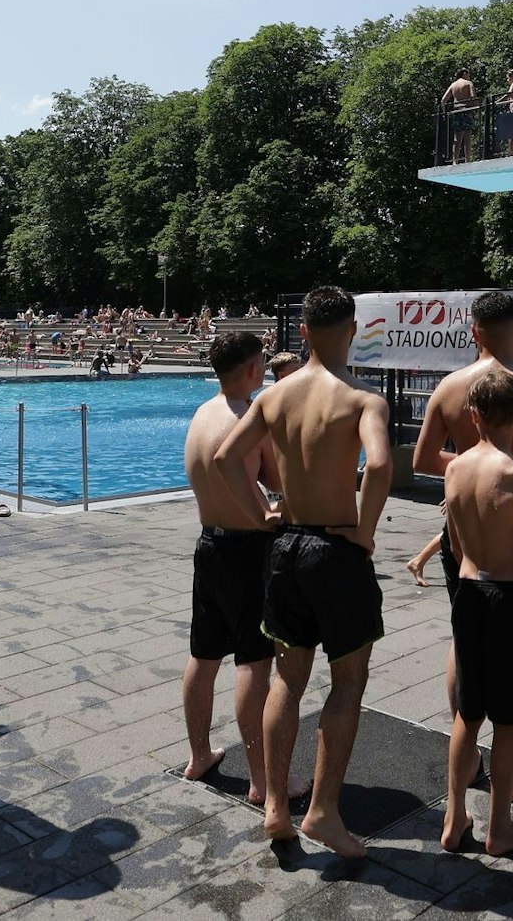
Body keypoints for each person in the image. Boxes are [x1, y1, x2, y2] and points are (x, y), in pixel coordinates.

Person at [213, 286, 390, 859]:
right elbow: (382, 464)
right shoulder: (363, 398)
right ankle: (323, 812)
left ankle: (275, 809)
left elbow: (225, 459)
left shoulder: (275, 396)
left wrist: (263, 512)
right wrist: (364, 532)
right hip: (336, 552)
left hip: (286, 547)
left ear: (305, 331)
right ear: (353, 329)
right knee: (347, 684)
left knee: (287, 680)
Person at [405, 293, 513, 804]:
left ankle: (470, 750)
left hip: (467, 537)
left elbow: (422, 458)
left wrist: (470, 470)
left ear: (473, 332)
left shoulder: (451, 388)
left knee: (465, 638)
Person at [439, 368, 513, 855]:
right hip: (510, 596)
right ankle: (499, 828)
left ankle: (453, 814)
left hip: (468, 592)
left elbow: (457, 543)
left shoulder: (455, 469)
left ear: (474, 415)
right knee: (509, 720)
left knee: (468, 711)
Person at [179, 331, 291, 805]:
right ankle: (262, 781)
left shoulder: (202, 414)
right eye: (262, 363)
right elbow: (278, 480)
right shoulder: (248, 420)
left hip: (210, 545)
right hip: (247, 551)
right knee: (254, 662)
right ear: (250, 370)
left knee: (204, 655)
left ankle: (199, 755)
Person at [441, 69, 479, 163]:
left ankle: (455, 161)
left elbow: (443, 100)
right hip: (467, 109)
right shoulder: (468, 83)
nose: (469, 77)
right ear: (464, 74)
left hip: (456, 110)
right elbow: (473, 96)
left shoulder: (453, 85)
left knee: (457, 138)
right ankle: (468, 160)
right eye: (469, 75)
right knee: (467, 136)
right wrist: (477, 107)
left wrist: (444, 112)